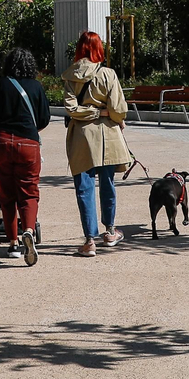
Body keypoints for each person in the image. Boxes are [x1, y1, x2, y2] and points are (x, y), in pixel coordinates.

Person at [63, 31, 131, 256]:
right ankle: (110, 231)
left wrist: (88, 113)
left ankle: (89, 240)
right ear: (98, 48)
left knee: (84, 187)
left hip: (82, 137)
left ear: (80, 48)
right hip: (108, 136)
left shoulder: (70, 75)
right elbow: (119, 110)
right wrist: (105, 112)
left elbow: (71, 109)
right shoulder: (108, 74)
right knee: (108, 184)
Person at [0, 47, 49, 266]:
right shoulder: (37, 87)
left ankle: (12, 244)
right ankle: (28, 230)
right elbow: (44, 119)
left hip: (0, 142)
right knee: (29, 191)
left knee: (6, 194)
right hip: (28, 144)